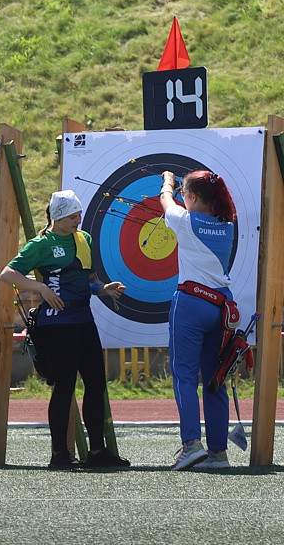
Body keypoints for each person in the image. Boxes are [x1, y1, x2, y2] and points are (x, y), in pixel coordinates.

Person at [0, 190, 130, 470]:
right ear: (57, 216)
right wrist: (40, 287)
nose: (78, 221)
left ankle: (97, 452)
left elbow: (89, 279)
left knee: (96, 384)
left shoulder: (85, 240)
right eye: (72, 216)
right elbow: (7, 274)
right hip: (56, 325)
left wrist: (103, 289)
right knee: (65, 386)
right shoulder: (40, 245)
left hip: (83, 320)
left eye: (79, 215)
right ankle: (59, 455)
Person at [160, 170, 237, 470]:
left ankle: (191, 445)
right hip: (221, 309)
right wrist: (181, 190)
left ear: (191, 197)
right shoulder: (227, 224)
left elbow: (165, 201)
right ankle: (218, 453)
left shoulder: (185, 221)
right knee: (215, 381)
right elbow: (181, 204)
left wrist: (168, 183)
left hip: (191, 305)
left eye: (185, 194)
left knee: (185, 377)